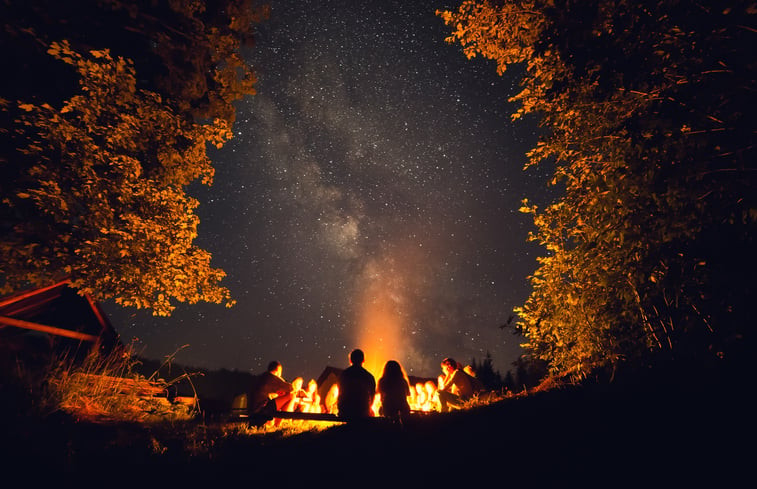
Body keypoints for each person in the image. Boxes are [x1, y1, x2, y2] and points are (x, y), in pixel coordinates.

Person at [336, 348, 376, 421]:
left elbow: (340, 393)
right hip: (362, 411)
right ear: (363, 360)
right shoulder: (369, 376)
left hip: (345, 411)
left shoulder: (343, 375)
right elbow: (372, 397)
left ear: (350, 360)